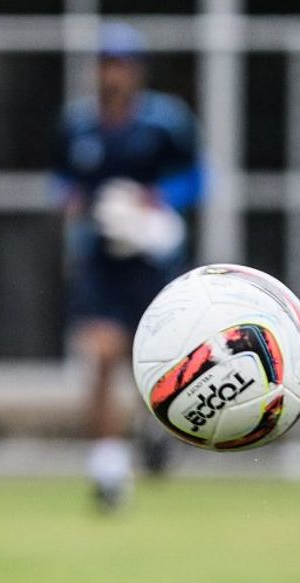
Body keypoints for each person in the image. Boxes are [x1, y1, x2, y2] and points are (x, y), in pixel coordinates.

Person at [52, 23, 206, 512]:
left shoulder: (165, 123)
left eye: (121, 64)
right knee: (100, 357)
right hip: (101, 261)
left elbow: (200, 178)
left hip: (152, 263)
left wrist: (153, 205)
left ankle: (156, 431)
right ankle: (108, 472)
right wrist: (82, 208)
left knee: (155, 366)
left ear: (135, 71)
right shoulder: (78, 125)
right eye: (105, 63)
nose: (112, 74)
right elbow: (61, 183)